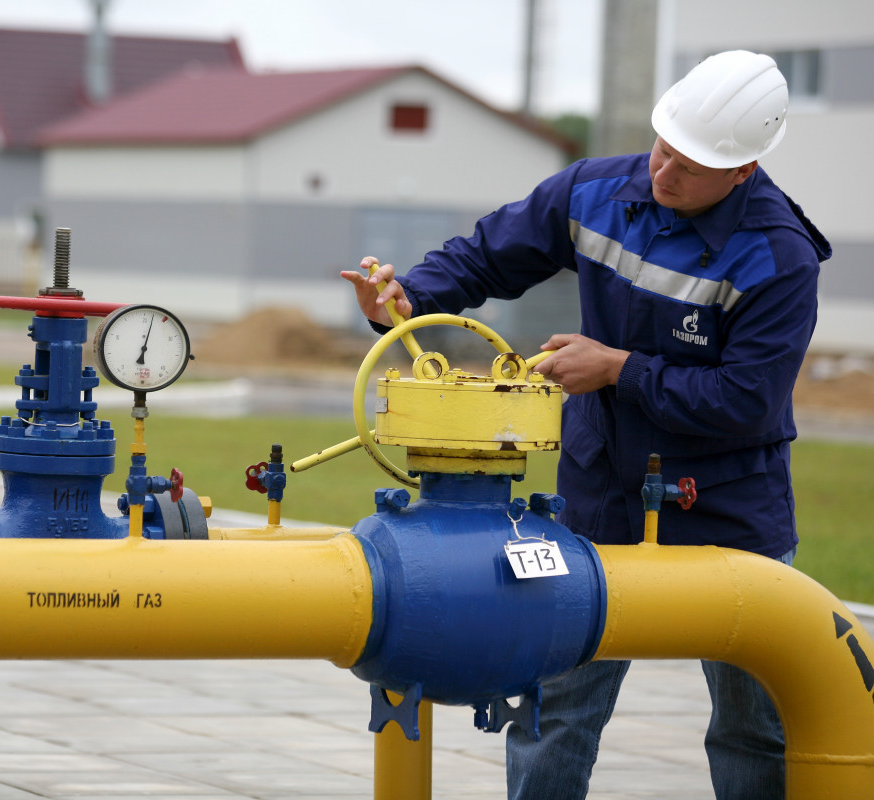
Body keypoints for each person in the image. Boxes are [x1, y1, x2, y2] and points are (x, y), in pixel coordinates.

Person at [343, 50, 831, 800]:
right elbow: (485, 258)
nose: (664, 172)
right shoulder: (596, 190)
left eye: (691, 165)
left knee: (754, 727)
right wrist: (406, 295)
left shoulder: (779, 256)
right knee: (556, 707)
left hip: (731, 509)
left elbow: (747, 402)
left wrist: (618, 369)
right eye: (663, 146)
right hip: (600, 495)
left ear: (744, 170)